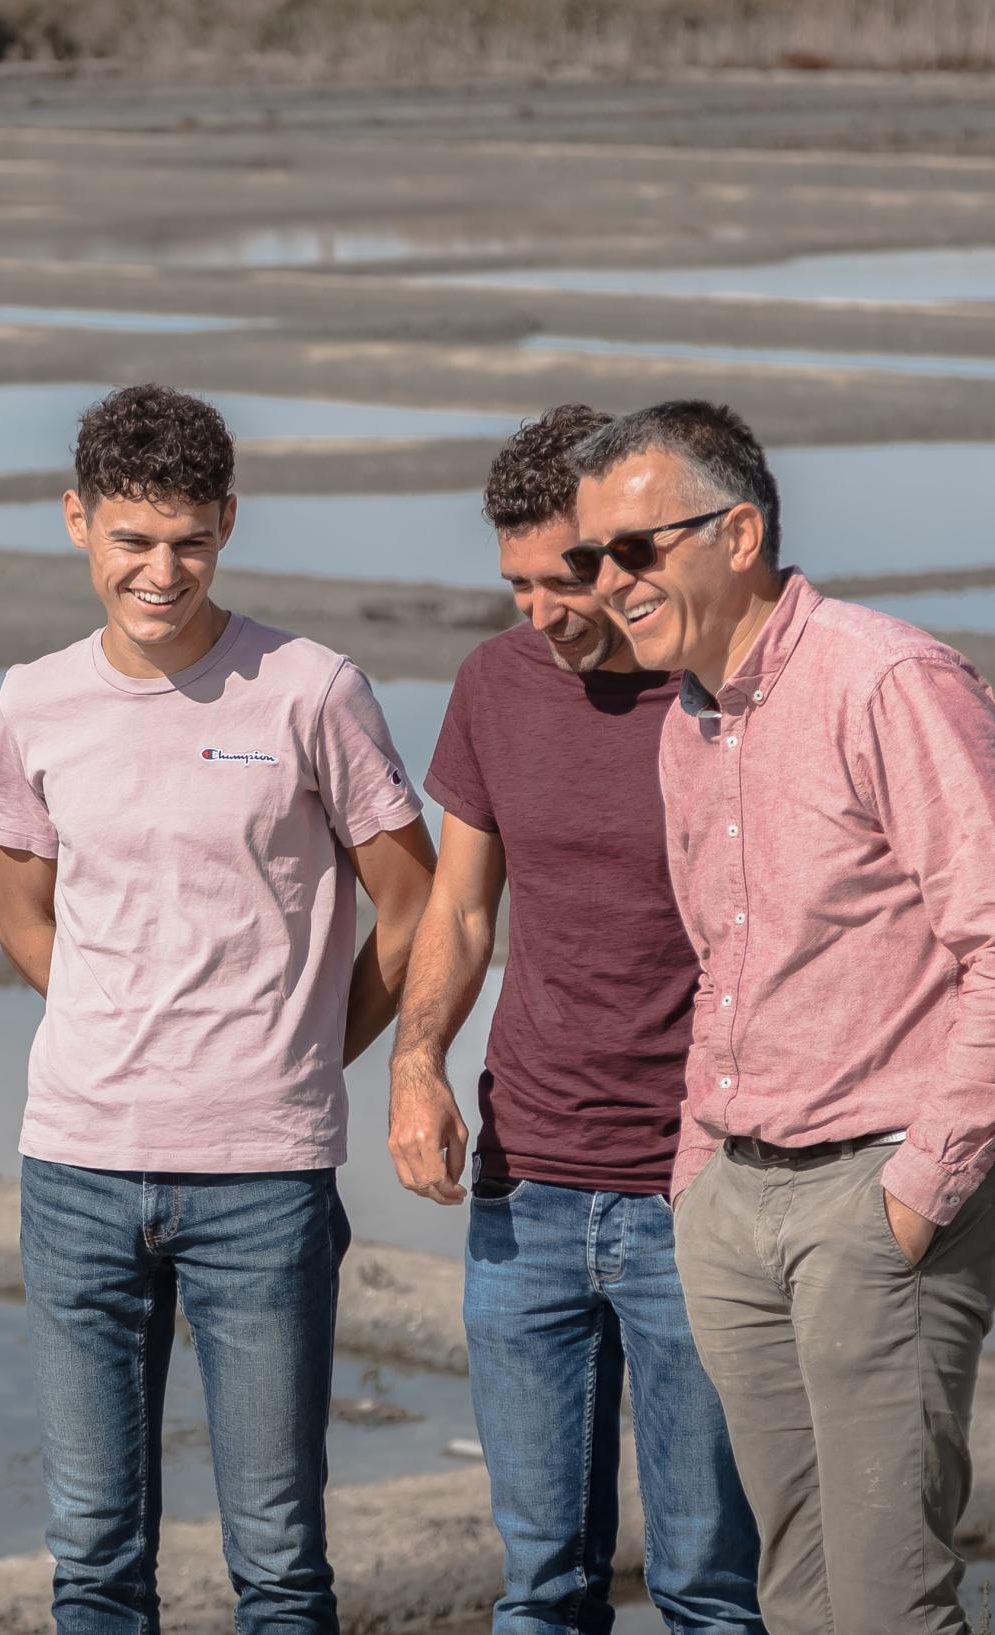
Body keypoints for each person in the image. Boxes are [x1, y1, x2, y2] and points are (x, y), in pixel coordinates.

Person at [0, 383, 435, 1635]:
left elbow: (417, 903)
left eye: (188, 540)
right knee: (91, 1555)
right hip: (73, 1170)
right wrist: (103, 1024)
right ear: (77, 522)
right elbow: (25, 911)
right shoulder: (33, 700)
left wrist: (315, 1052)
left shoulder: (311, 689)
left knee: (281, 1561)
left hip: (263, 1182)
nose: (161, 570)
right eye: (132, 540)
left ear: (228, 524)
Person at [573, 397, 995, 1635]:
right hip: (735, 1203)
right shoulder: (689, 726)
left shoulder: (888, 681)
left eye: (637, 551)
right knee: (794, 1593)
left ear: (739, 533)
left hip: (878, 1195)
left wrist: (920, 1188)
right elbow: (725, 964)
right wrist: (697, 1170)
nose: (610, 584)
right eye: (593, 559)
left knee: (886, 1603)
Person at [388, 404, 764, 1635]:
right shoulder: (493, 684)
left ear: (628, 555)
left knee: (708, 1591)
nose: (538, 612)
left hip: (696, 1193)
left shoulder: (726, 694)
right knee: (539, 1589)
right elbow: (460, 906)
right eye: (514, 585)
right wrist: (417, 1063)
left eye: (563, 580)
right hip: (525, 1192)